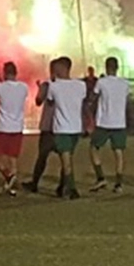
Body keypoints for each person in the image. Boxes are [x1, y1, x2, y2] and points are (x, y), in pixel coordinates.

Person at [41, 56, 86, 199]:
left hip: (62, 128)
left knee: (66, 162)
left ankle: (71, 189)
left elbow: (49, 103)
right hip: (75, 128)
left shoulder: (54, 86)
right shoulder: (80, 85)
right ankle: (64, 187)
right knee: (67, 160)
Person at [0, 61, 27, 195]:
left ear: (4, 73)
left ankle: (8, 176)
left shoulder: (0, 87)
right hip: (17, 127)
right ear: (16, 73)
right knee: (12, 158)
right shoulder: (24, 87)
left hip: (3, 127)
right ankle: (11, 187)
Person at [89, 56, 129, 193]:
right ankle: (119, 183)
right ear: (117, 68)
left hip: (104, 122)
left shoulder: (102, 82)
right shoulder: (124, 83)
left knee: (94, 148)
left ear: (106, 67)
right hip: (119, 122)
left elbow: (93, 97)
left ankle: (101, 177)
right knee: (118, 152)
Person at [22, 60, 59, 195]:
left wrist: (40, 89)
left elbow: (38, 101)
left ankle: (35, 183)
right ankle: (63, 186)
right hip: (63, 126)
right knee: (65, 157)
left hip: (48, 127)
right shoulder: (70, 86)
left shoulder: (47, 85)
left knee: (42, 157)